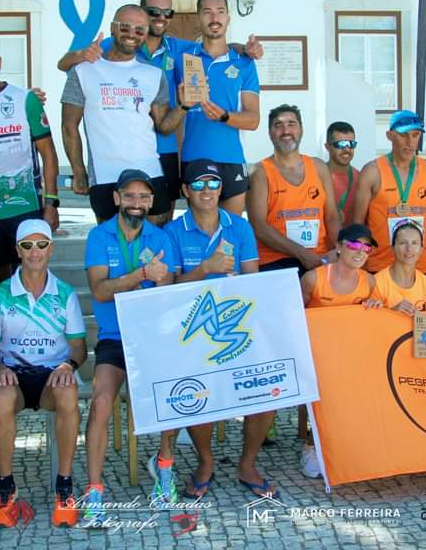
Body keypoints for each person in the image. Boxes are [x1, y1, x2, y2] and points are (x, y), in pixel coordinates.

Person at [57, 0, 262, 223]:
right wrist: (80, 55)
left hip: (164, 150)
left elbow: (214, 44)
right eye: (154, 11)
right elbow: (64, 65)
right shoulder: (117, 42)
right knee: (112, 230)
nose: (161, 18)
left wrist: (243, 49)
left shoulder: (179, 49)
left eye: (167, 13)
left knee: (161, 226)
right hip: (111, 161)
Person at [155, 160, 268, 503]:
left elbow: (253, 281)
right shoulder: (172, 232)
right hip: (191, 330)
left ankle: (247, 464)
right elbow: (169, 288)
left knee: (268, 384)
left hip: (236, 323)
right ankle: (205, 462)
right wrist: (205, 268)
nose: (207, 190)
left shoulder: (240, 227)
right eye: (198, 185)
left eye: (213, 184)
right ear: (185, 191)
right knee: (194, 389)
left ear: (221, 189)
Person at [79, 169, 176, 526]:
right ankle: (94, 491)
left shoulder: (161, 237)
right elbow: (100, 291)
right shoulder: (98, 236)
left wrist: (156, 281)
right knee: (102, 401)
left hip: (152, 337)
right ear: (117, 198)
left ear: (151, 202)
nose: (137, 203)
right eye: (130, 196)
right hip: (114, 337)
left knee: (173, 393)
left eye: (144, 197)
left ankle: (164, 467)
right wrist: (141, 275)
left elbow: (169, 291)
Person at [0, 219, 86, 528]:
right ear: (18, 250)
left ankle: (64, 485)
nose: (34, 251)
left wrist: (68, 366)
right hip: (13, 374)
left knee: (68, 389)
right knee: (1, 395)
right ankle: (6, 485)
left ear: (50, 249)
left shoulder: (65, 293)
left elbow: (79, 348)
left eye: (41, 244)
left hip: (51, 375)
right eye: (27, 245)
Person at [60, 5, 189, 225]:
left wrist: (183, 106)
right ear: (112, 28)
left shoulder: (154, 74)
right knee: (111, 241)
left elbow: (164, 127)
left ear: (146, 34)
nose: (132, 34)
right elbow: (68, 126)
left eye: (139, 30)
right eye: (125, 27)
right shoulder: (83, 70)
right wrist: (79, 171)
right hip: (105, 176)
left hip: (149, 172)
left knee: (154, 240)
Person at [0, 34, 60, 287]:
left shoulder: (25, 99)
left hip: (24, 207)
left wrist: (51, 203)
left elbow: (48, 153)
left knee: (31, 275)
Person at [299, 223, 382, 479]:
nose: (360, 251)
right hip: (316, 354)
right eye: (354, 244)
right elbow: (295, 316)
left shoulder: (369, 281)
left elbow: (373, 320)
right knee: (321, 392)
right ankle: (311, 446)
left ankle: (346, 443)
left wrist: (374, 306)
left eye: (366, 248)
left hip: (349, 353)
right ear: (338, 247)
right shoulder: (313, 278)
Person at [173, 0, 262, 216]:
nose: (214, 18)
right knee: (200, 231)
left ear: (228, 18)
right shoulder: (182, 56)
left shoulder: (244, 63)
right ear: (198, 18)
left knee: (230, 230)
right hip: (194, 158)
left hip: (232, 160)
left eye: (220, 11)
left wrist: (224, 116)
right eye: (207, 12)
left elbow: (253, 120)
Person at [248, 104, 340, 273]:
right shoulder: (259, 172)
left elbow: (332, 216)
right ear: (270, 133)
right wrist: (302, 254)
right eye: (278, 125)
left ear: (301, 129)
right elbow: (258, 226)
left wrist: (340, 250)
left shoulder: (318, 167)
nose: (286, 131)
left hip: (318, 258)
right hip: (276, 261)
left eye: (291, 124)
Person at [353, 110, 426, 276]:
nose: (410, 142)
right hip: (381, 265)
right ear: (390, 135)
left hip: (420, 265)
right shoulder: (372, 171)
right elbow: (358, 223)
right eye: (403, 135)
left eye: (415, 135)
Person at [373, 220, 426, 315]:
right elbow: (372, 321)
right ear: (392, 248)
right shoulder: (377, 282)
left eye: (414, 243)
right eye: (403, 243)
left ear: (421, 250)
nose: (409, 249)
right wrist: (393, 312)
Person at [324, 121, 360, 226]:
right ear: (327, 147)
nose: (346, 149)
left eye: (351, 144)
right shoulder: (316, 176)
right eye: (340, 144)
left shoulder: (361, 178)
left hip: (351, 236)